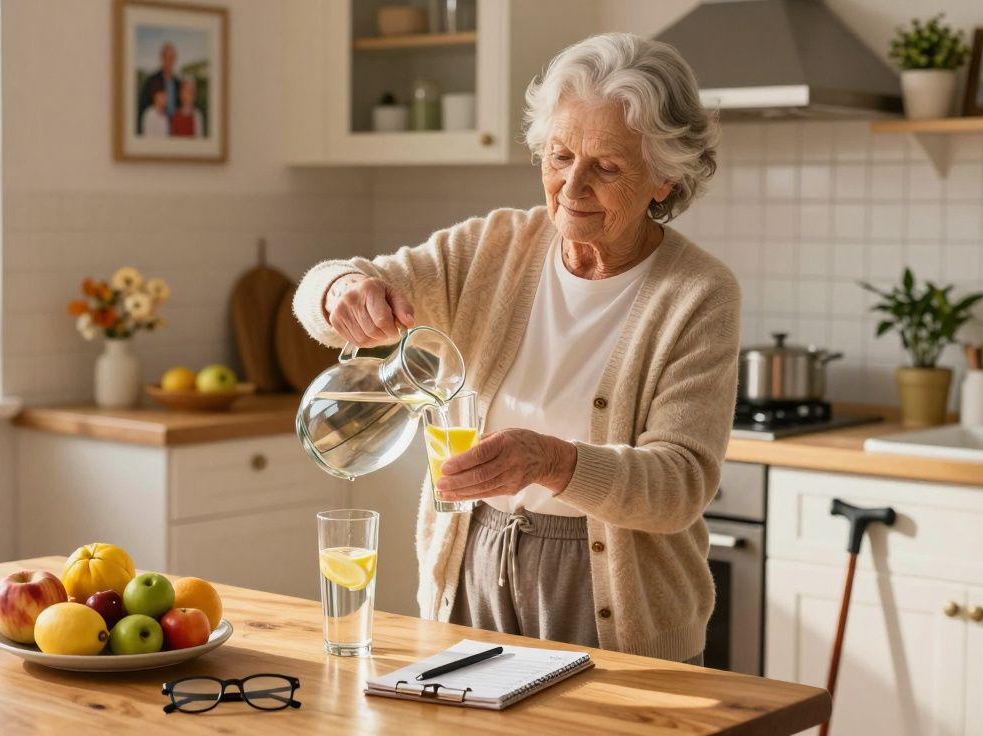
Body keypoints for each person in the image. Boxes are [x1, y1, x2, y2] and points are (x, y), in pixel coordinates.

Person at [293, 33, 736, 664]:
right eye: (559, 157)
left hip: (613, 601)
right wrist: (342, 289)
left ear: (663, 180)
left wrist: (551, 462)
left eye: (606, 167)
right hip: (472, 570)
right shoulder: (493, 247)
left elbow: (679, 486)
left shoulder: (697, 293)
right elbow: (325, 292)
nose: (571, 186)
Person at [138, 41, 181, 135]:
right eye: (167, 57)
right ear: (162, 58)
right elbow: (142, 107)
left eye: (172, 58)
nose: (169, 61)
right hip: (155, 128)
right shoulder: (151, 80)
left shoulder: (178, 83)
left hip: (174, 130)